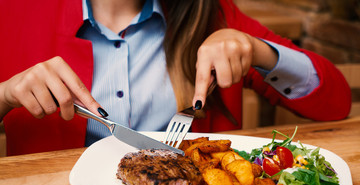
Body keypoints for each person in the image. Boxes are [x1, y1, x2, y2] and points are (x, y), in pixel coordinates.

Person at [0, 0, 351, 156]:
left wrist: (257, 49)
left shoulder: (212, 12)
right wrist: (5, 95)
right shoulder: (13, 12)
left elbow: (335, 103)